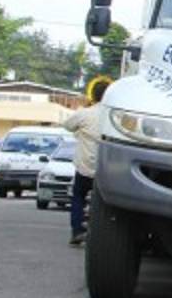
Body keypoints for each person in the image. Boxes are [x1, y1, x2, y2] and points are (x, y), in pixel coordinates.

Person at [62, 76, 111, 245]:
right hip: (107, 169)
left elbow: (67, 125)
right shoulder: (113, 116)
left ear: (93, 95)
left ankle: (77, 231)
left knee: (78, 196)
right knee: (107, 203)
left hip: (85, 167)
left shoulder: (84, 114)